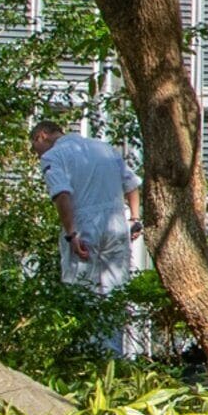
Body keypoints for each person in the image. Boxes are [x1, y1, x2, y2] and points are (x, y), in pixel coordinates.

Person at [32, 116, 145, 300]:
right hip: (117, 223)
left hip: (84, 226)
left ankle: (89, 327)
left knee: (82, 290)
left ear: (41, 136)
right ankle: (114, 328)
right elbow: (131, 184)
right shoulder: (104, 148)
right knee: (115, 291)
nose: (35, 154)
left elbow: (62, 194)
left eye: (33, 148)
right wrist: (134, 218)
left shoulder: (53, 156)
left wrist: (71, 233)